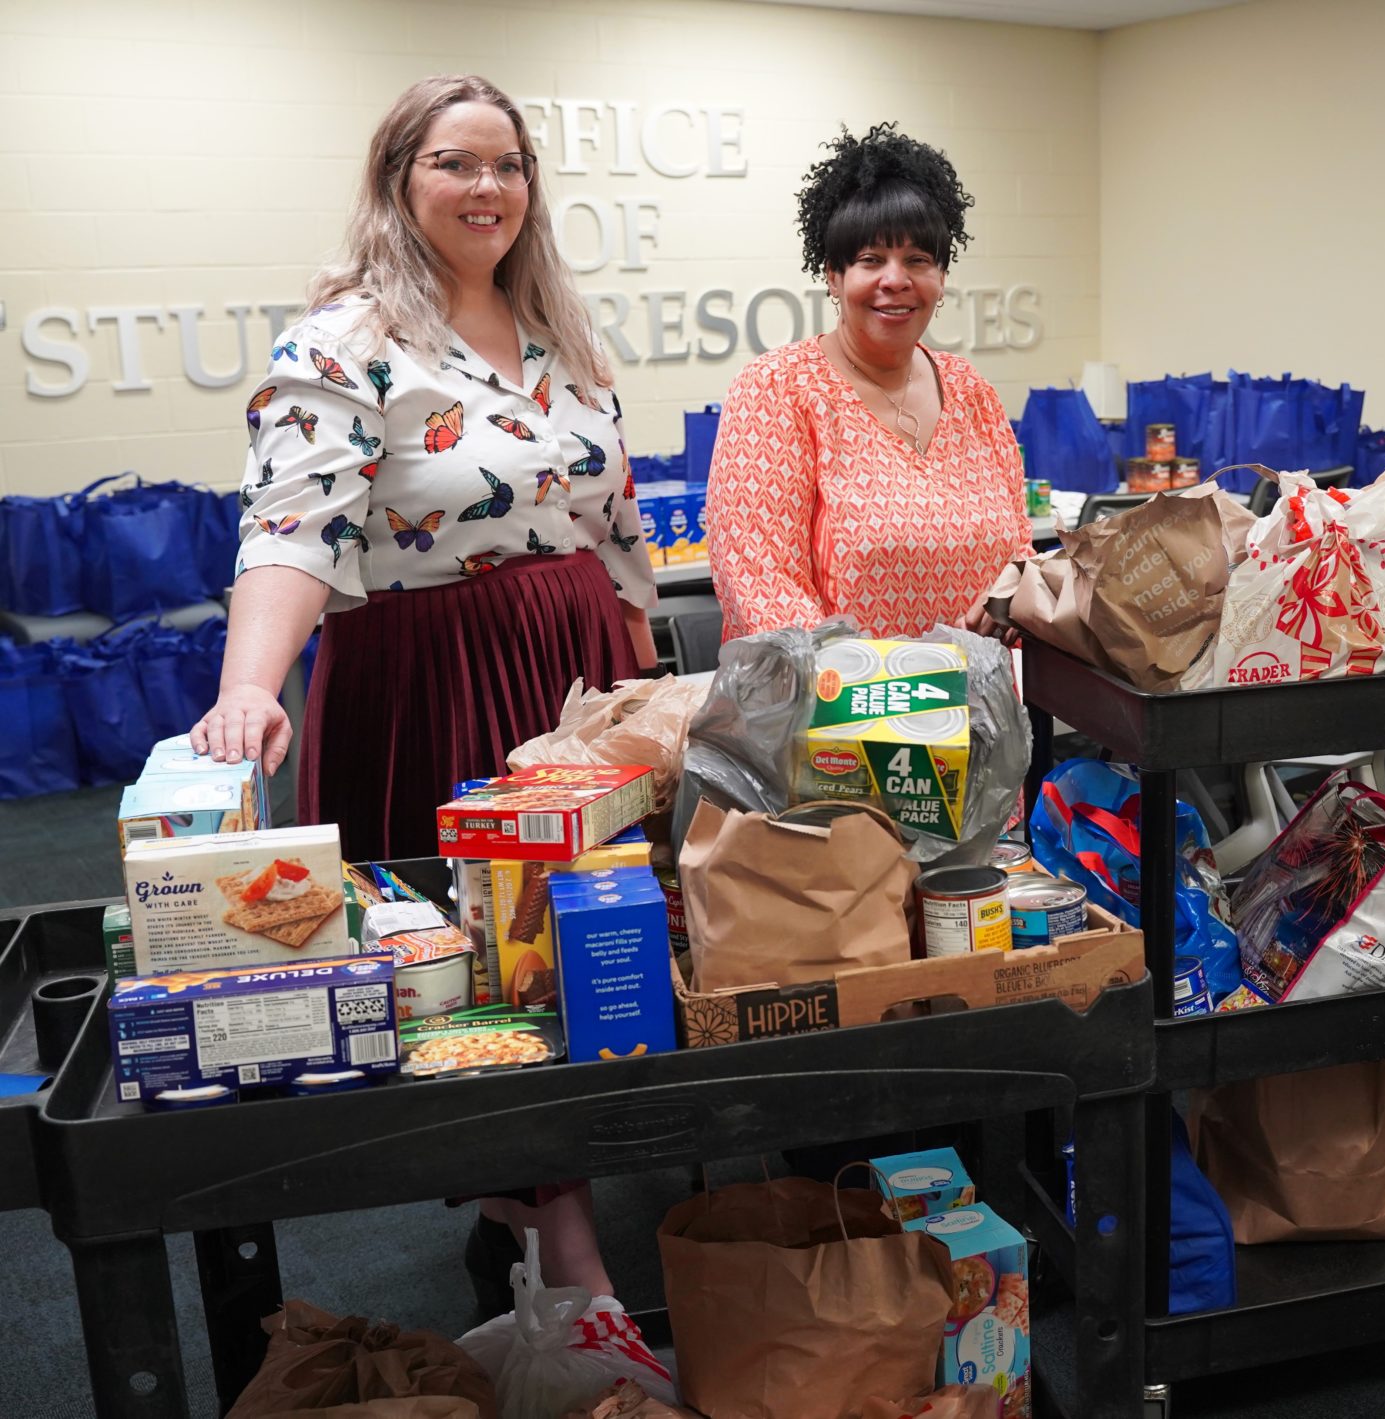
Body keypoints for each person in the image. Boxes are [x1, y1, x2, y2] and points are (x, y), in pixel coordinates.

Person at [190, 74, 655, 1316]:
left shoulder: (557, 330)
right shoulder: (343, 342)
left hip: (576, 679)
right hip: (437, 677)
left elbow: (611, 530)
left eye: (506, 165)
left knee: (594, 943)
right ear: (400, 178)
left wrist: (650, 696)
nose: (486, 188)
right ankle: (560, 1244)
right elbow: (291, 529)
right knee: (495, 958)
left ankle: (547, 1205)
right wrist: (250, 688)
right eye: (455, 163)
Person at [708, 122, 1032, 641]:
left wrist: (1016, 599)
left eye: (918, 260)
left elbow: (1018, 549)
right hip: (838, 710)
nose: (895, 280)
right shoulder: (778, 389)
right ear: (834, 277)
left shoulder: (970, 390)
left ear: (942, 279)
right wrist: (872, 691)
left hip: (981, 704)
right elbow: (758, 582)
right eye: (870, 260)